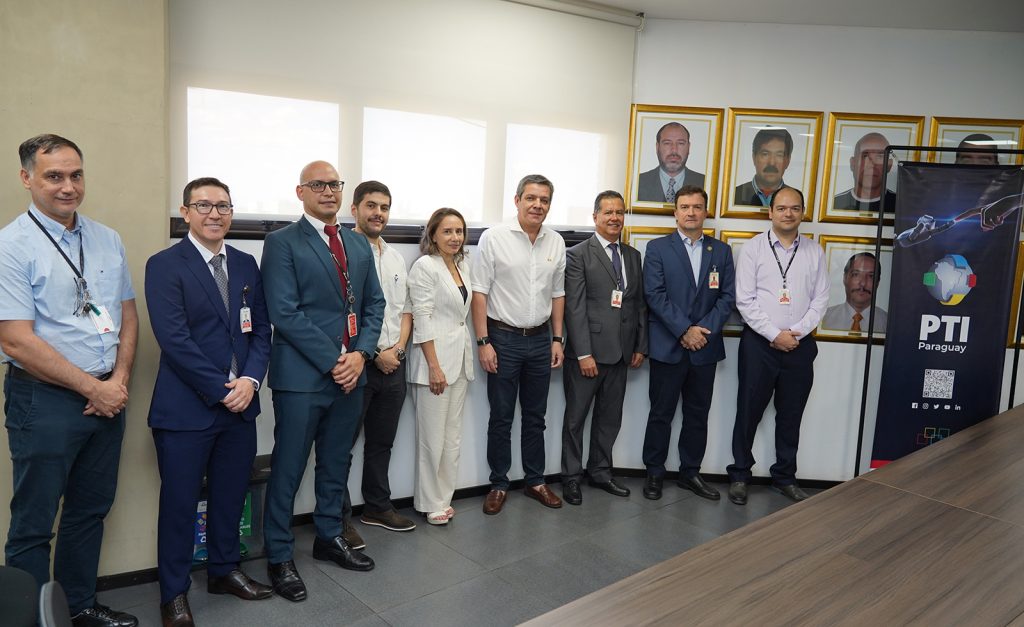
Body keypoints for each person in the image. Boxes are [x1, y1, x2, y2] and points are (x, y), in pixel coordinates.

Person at [0, 134, 139, 627]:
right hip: (45, 401)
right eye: (54, 176)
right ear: (27, 178)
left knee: (89, 510)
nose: (68, 186)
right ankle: (35, 621)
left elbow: (126, 316)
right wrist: (92, 388)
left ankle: (79, 606)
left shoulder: (106, 238)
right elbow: (16, 340)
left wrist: (117, 380)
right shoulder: (11, 246)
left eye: (75, 175)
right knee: (34, 524)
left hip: (108, 396)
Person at [145, 177, 274, 626]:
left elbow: (261, 329)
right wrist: (224, 389)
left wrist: (251, 381)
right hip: (186, 410)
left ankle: (224, 571)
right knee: (179, 505)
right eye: (203, 205)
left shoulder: (245, 263)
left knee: (230, 496)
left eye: (223, 206)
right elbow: (174, 340)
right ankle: (174, 594)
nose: (214, 213)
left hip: (241, 407)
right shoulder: (165, 265)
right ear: (185, 213)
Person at [260, 161, 385, 602]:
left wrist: (361, 355)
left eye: (334, 184)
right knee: (289, 468)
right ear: (301, 192)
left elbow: (374, 305)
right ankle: (279, 555)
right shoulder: (282, 242)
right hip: (302, 378)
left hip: (351, 375)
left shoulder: (357, 242)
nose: (328, 191)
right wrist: (336, 360)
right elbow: (284, 312)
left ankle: (330, 536)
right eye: (318, 185)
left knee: (336, 463)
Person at [727, 187, 830, 506]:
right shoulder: (753, 249)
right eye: (782, 208)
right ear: (770, 212)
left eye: (795, 208)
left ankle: (785, 477)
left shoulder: (814, 251)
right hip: (759, 345)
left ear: (803, 213)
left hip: (800, 346)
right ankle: (740, 474)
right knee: (748, 411)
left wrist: (795, 333)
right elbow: (744, 300)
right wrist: (774, 334)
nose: (788, 213)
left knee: (791, 414)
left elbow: (821, 299)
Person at [472, 174, 566, 514]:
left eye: (544, 200)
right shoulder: (494, 237)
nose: (537, 205)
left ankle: (535, 481)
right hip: (503, 339)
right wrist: (483, 341)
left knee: (535, 416)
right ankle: (498, 484)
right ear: (517, 200)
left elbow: (558, 294)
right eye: (531, 198)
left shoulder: (556, 242)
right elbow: (479, 292)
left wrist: (557, 339)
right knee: (501, 417)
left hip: (541, 340)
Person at [642, 185, 735, 501]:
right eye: (685, 207)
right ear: (675, 212)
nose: (691, 212)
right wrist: (684, 330)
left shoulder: (720, 251)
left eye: (697, 207)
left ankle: (690, 473)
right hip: (668, 346)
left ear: (705, 212)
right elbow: (654, 295)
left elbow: (727, 297)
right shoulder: (657, 248)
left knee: (698, 414)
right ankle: (654, 472)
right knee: (661, 413)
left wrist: (701, 332)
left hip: (704, 349)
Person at [340, 181, 416, 549]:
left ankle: (376, 506)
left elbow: (405, 311)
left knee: (382, 442)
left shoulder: (396, 257)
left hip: (393, 363)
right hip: (358, 364)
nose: (378, 213)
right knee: (341, 446)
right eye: (371, 206)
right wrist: (373, 354)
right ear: (354, 209)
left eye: (384, 207)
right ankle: (338, 519)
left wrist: (397, 351)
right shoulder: (341, 252)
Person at [560, 191, 646, 505]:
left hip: (622, 353)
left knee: (610, 418)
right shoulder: (578, 254)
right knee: (575, 420)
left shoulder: (633, 255)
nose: (614, 218)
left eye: (619, 212)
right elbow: (574, 308)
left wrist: (640, 345)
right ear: (595, 216)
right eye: (608, 212)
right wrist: (583, 353)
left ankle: (600, 471)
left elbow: (638, 304)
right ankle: (571, 477)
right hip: (588, 354)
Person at [407, 208, 475, 524]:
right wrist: (434, 367)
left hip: (458, 361)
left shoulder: (462, 265)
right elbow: (421, 318)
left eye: (459, 231)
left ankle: (444, 498)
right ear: (433, 234)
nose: (455, 237)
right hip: (433, 365)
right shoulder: (425, 266)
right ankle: (429, 502)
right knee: (431, 440)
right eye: (447, 231)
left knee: (452, 438)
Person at [637, 123, 706, 203]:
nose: (674, 150)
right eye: (667, 143)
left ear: (689, 147)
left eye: (680, 143)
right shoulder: (638, 183)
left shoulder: (705, 183)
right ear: (657, 147)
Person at [821, 252, 887, 333]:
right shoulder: (823, 319)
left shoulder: (888, 324)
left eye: (871, 276)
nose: (863, 283)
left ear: (878, 283)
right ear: (845, 278)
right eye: (856, 274)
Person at [833, 132, 896, 213]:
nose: (871, 165)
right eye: (865, 156)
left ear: (889, 165)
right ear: (852, 163)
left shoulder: (902, 205)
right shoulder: (833, 204)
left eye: (879, 156)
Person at [734, 128, 796, 207]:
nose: (772, 163)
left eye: (779, 155)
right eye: (765, 154)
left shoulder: (796, 199)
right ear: (754, 158)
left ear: (788, 161)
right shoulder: (734, 195)